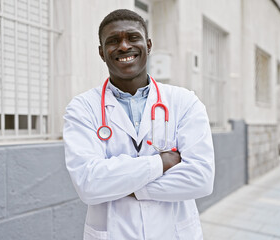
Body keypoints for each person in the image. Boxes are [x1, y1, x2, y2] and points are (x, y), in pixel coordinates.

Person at [63, 9, 215, 240]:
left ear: (149, 45)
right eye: (113, 41)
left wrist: (131, 188)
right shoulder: (82, 108)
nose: (124, 46)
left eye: (133, 37)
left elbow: (201, 179)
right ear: (102, 53)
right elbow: (88, 184)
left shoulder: (184, 102)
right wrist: (160, 162)